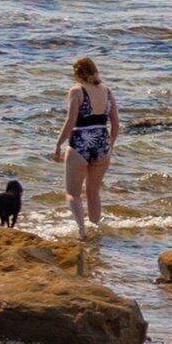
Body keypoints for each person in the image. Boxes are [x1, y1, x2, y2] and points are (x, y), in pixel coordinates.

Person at [61, 55, 122, 243]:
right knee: (93, 193)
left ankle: (82, 230)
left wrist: (58, 144)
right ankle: (95, 228)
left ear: (77, 74)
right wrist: (109, 145)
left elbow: (70, 121)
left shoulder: (77, 91)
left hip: (81, 142)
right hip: (102, 142)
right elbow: (116, 124)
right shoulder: (107, 91)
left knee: (73, 193)